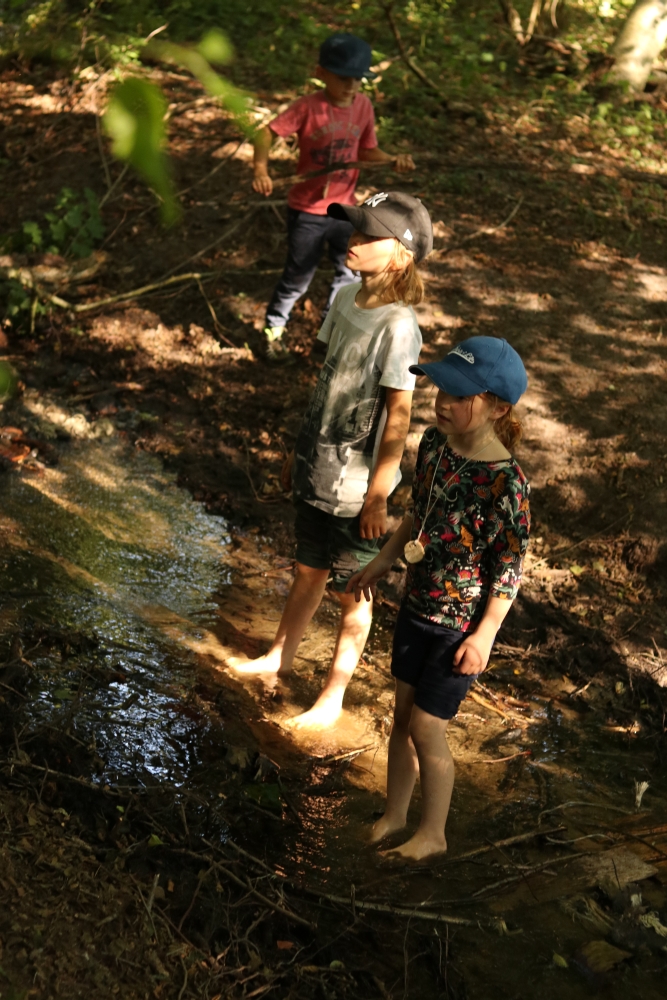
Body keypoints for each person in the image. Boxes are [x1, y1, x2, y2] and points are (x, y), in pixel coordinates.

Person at [229, 192, 433, 730]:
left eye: (368, 237)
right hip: (317, 466)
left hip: (357, 488)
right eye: (355, 232)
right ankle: (279, 656)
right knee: (306, 570)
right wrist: (298, 452)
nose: (354, 243)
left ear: (400, 255)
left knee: (352, 592)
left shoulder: (399, 327)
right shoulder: (344, 301)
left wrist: (378, 494)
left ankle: (332, 698)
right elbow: (326, 383)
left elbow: (398, 417)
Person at [347, 336, 531, 861]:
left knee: (428, 727)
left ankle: (433, 834)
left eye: (460, 394)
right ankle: (395, 815)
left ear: (498, 406)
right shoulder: (433, 445)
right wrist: (382, 562)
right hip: (417, 606)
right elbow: (417, 515)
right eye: (441, 389)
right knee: (402, 716)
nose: (443, 402)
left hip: (460, 627)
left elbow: (509, 569)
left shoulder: (507, 485)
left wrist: (485, 635)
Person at [252, 32, 415, 361]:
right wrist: (260, 169)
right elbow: (266, 133)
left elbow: (367, 150)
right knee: (298, 276)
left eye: (358, 80)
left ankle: (330, 332)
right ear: (321, 72)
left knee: (346, 273)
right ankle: (274, 330)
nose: (351, 86)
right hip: (308, 211)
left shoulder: (363, 107)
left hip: (345, 211)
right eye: (343, 78)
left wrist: (391, 161)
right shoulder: (309, 107)